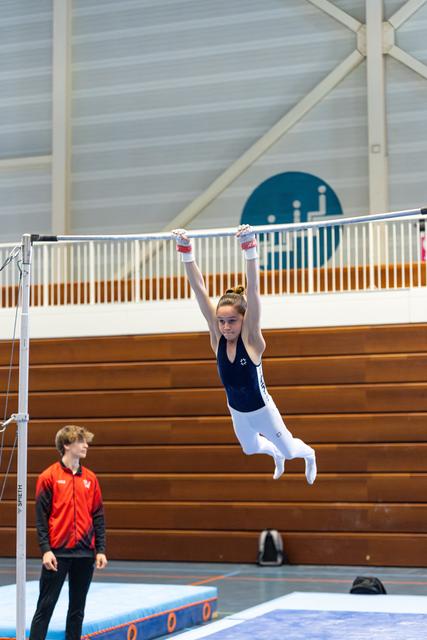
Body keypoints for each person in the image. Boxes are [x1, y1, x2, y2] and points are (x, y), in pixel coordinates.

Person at [173, 224, 316, 484]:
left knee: (290, 450)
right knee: (250, 449)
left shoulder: (251, 341)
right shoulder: (216, 339)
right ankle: (275, 454)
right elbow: (199, 290)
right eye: (221, 321)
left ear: (244, 320)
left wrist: (250, 249)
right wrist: (186, 251)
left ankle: (309, 454)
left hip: (264, 411)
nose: (226, 327)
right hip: (237, 412)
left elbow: (253, 291)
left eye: (232, 321)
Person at [29, 425, 107, 640]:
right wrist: (45, 550)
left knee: (77, 611)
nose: (86, 446)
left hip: (84, 554)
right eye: (81, 441)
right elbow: (41, 518)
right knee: (45, 608)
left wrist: (100, 549)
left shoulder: (90, 479)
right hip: (58, 554)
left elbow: (98, 516)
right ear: (66, 444)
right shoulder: (48, 477)